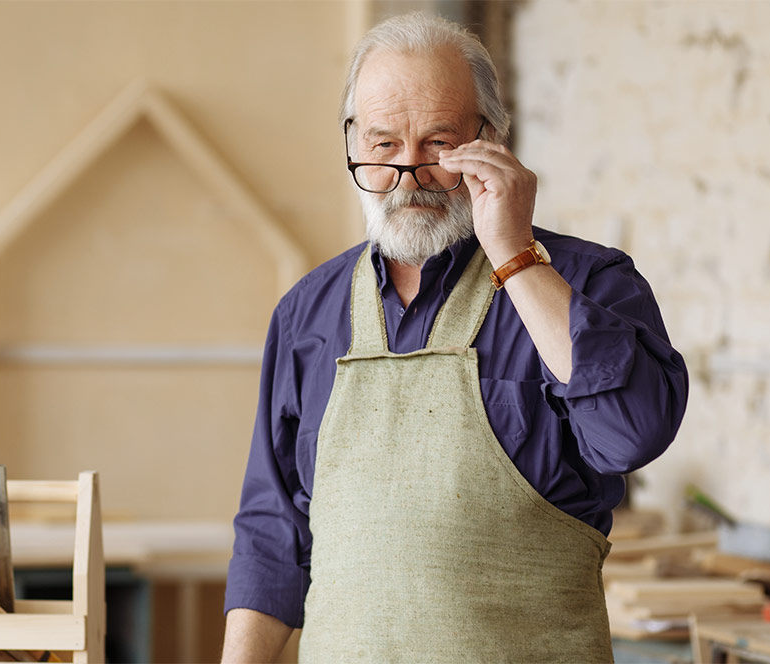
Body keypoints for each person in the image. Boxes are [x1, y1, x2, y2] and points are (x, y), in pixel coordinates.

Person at [222, 12, 688, 663]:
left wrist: (515, 256)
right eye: (383, 146)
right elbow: (272, 537)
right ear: (351, 141)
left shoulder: (588, 283)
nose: (409, 175)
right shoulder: (307, 314)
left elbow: (631, 433)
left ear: (491, 138)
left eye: (438, 145)